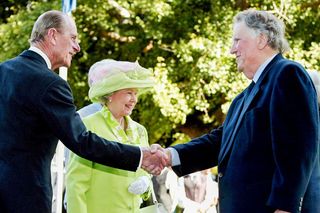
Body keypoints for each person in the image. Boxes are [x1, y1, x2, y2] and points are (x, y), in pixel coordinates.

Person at [150, 9, 320, 213]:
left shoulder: (287, 74)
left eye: (237, 40)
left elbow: (298, 150)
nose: (232, 50)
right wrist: (171, 155)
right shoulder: (242, 99)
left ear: (262, 39)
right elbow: (219, 143)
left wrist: (285, 207)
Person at [0, 10, 166, 213]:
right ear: (52, 35)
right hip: (27, 199)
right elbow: (82, 141)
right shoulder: (51, 84)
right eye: (73, 38)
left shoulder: (3, 71)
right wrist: (141, 156)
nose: (77, 47)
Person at [66, 59, 155, 213]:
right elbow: (76, 185)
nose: (134, 99)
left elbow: (145, 173)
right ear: (110, 95)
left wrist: (146, 182)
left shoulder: (140, 130)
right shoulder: (88, 126)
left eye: (136, 93)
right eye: (129, 93)